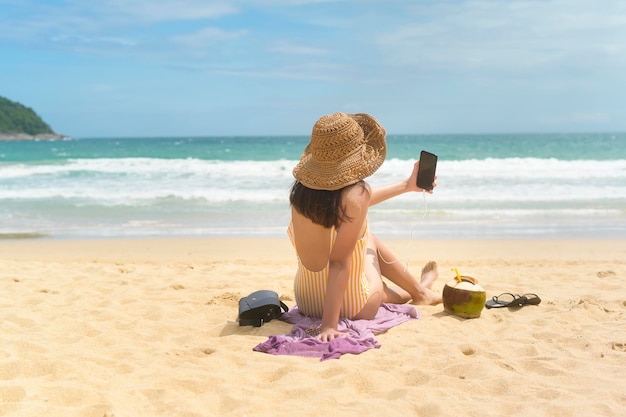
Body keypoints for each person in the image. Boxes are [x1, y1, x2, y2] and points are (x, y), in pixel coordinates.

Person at [288, 112, 442, 342]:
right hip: (352, 306)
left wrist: (406, 186)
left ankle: (421, 289)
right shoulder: (357, 195)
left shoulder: (301, 192)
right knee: (368, 242)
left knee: (362, 244)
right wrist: (329, 325)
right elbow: (339, 262)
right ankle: (420, 291)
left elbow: (351, 205)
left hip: (307, 300)